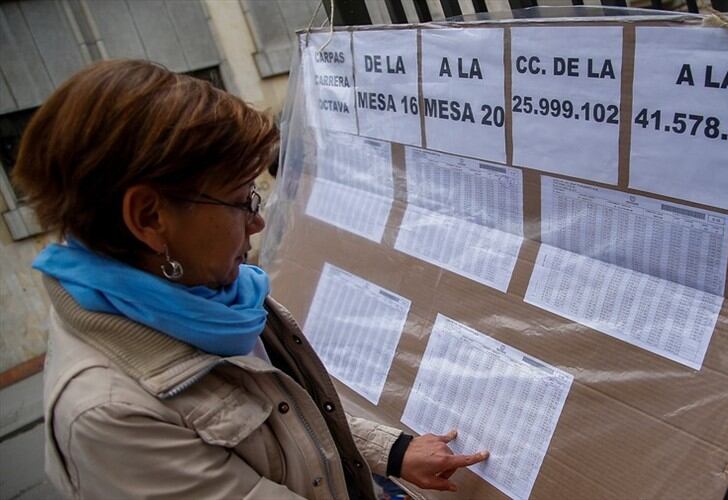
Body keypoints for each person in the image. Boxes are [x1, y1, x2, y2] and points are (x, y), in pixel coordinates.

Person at [14, 60, 488, 499]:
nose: (257, 224)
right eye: (242, 200)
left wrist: (392, 450)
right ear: (149, 217)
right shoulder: (111, 418)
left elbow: (284, 420)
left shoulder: (207, 297)